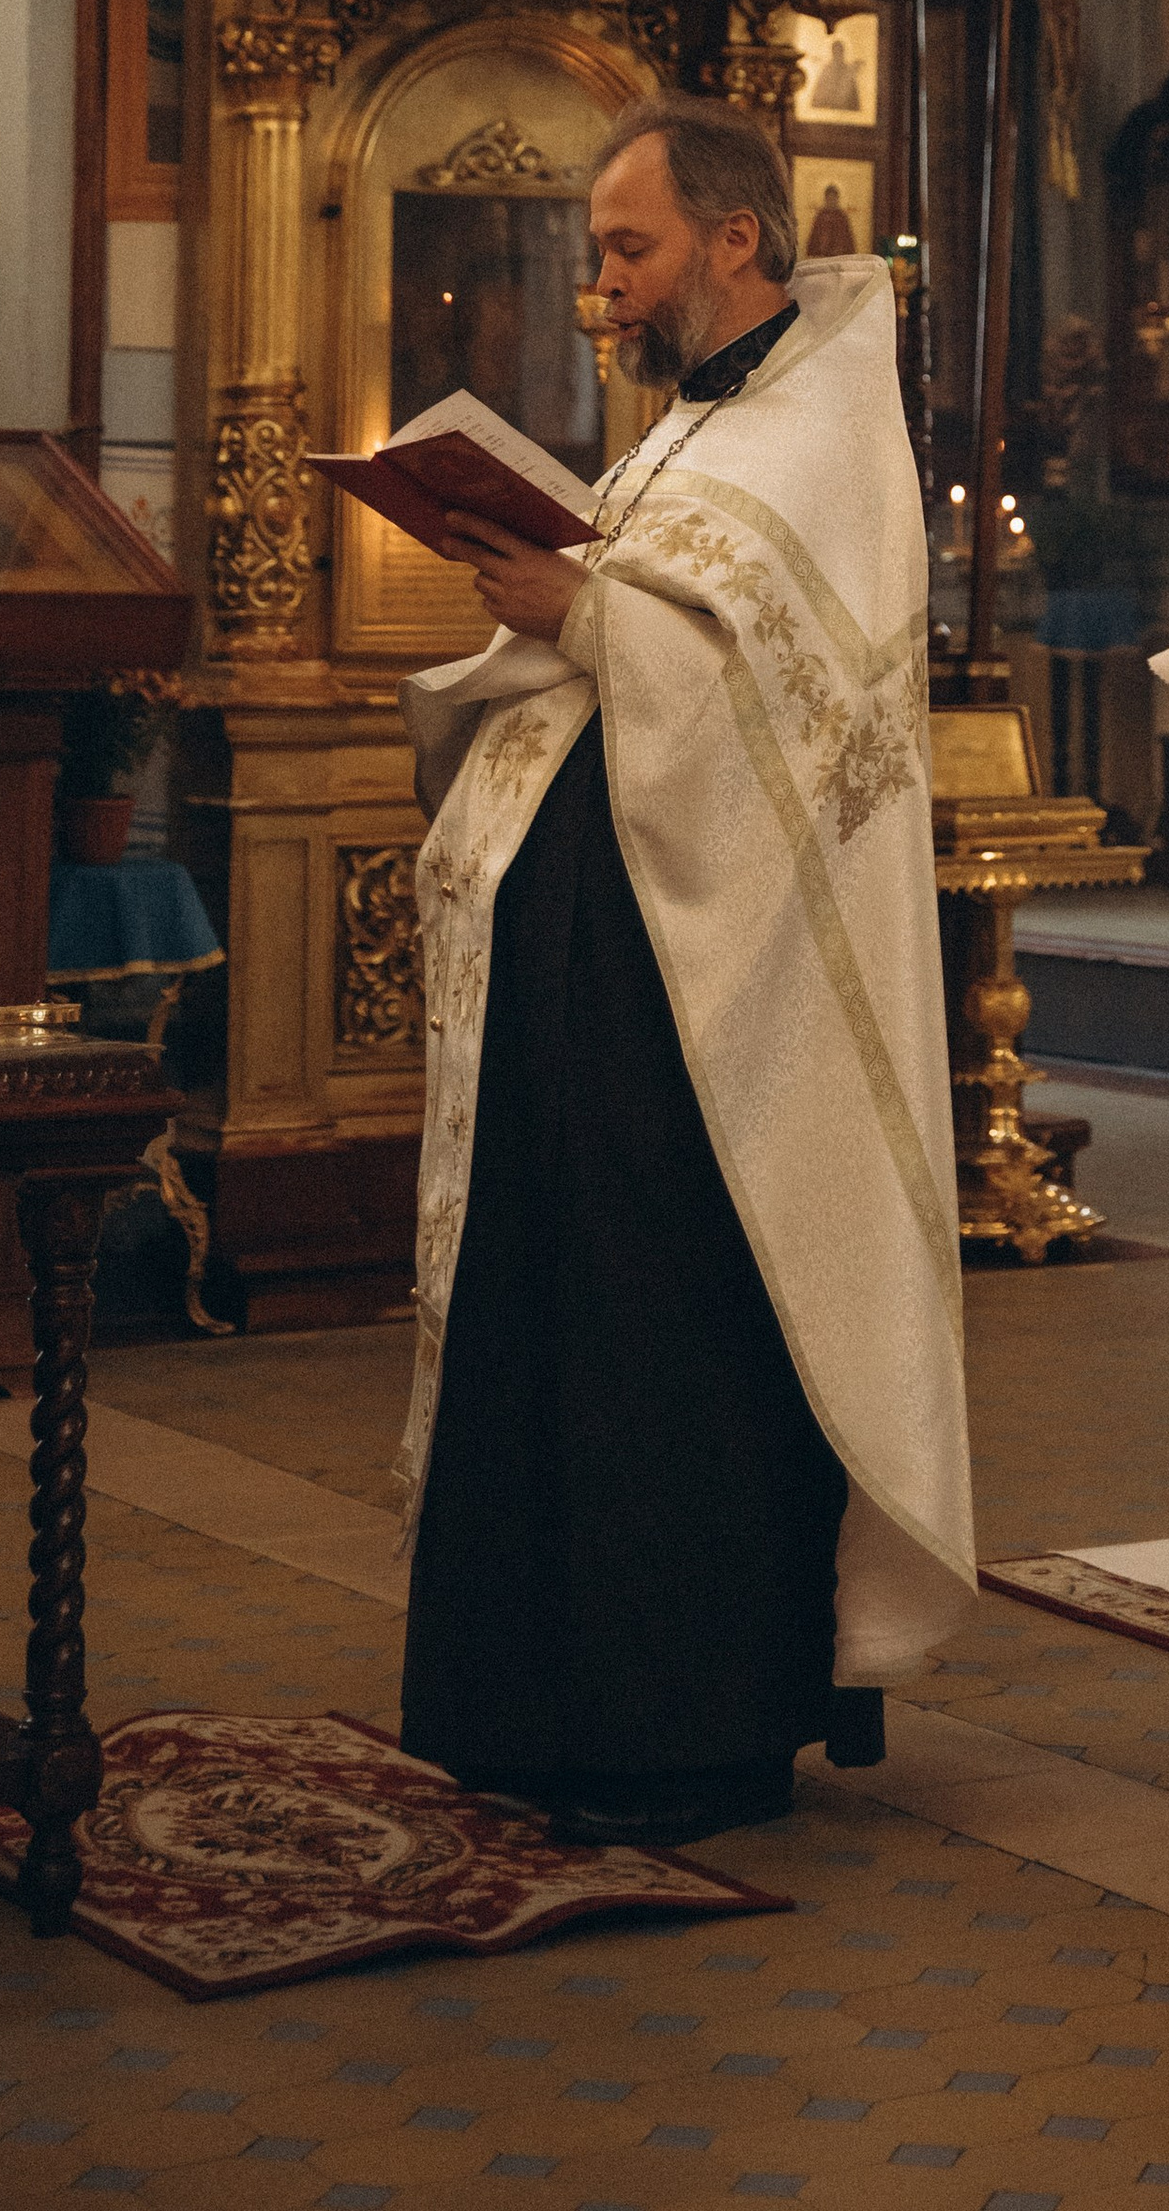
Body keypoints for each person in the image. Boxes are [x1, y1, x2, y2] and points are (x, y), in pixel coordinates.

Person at [394, 94, 972, 1844]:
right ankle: (534, 1703)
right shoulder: (685, 437)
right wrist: (549, 598)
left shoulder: (824, 432)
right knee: (555, 1288)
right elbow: (636, 620)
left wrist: (582, 616)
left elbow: (802, 712)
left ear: (735, 239)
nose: (605, 287)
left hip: (715, 989)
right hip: (596, 943)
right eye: (597, 254)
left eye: (629, 250)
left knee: (669, 1310)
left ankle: (686, 1719)